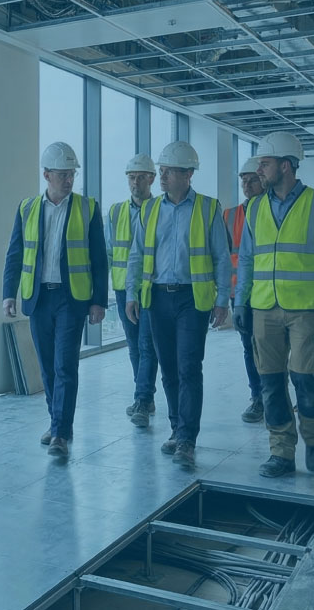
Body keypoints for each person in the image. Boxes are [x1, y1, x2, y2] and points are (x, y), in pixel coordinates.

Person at [232, 132, 314, 478]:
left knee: (306, 380)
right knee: (270, 384)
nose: (259, 171)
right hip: (263, 309)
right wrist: (241, 301)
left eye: (264, 164)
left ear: (286, 166)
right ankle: (281, 452)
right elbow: (248, 260)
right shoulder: (254, 208)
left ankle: (313, 440)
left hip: (306, 310)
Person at [125, 141, 231, 470]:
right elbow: (136, 254)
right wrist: (132, 293)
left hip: (191, 298)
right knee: (168, 369)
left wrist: (222, 299)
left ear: (188, 174)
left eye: (169, 172)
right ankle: (175, 428)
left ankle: (187, 438)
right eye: (162, 171)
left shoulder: (209, 209)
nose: (162, 177)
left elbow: (221, 257)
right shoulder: (150, 209)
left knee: (188, 367)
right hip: (156, 297)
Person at [2, 142, 107, 459]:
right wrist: (9, 294)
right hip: (38, 299)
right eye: (62, 174)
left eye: (72, 174)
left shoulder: (88, 208)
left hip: (71, 297)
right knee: (47, 368)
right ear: (46, 175)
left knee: (65, 366)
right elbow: (15, 254)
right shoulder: (27, 208)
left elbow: (99, 259)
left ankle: (60, 432)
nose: (68, 180)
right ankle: (57, 422)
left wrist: (99, 301)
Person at [107, 154, 158, 428]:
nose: (135, 182)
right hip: (122, 289)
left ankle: (142, 398)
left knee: (147, 345)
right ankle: (145, 396)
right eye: (131, 177)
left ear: (152, 179)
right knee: (134, 346)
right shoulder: (115, 213)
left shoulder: (160, 209)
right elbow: (107, 252)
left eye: (140, 177)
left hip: (150, 287)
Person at [226, 156, 265, 424]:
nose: (247, 185)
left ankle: (273, 395)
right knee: (249, 348)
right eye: (244, 181)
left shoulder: (272, 211)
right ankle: (259, 398)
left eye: (252, 180)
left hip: (269, 292)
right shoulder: (229, 215)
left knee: (271, 348)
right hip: (240, 294)